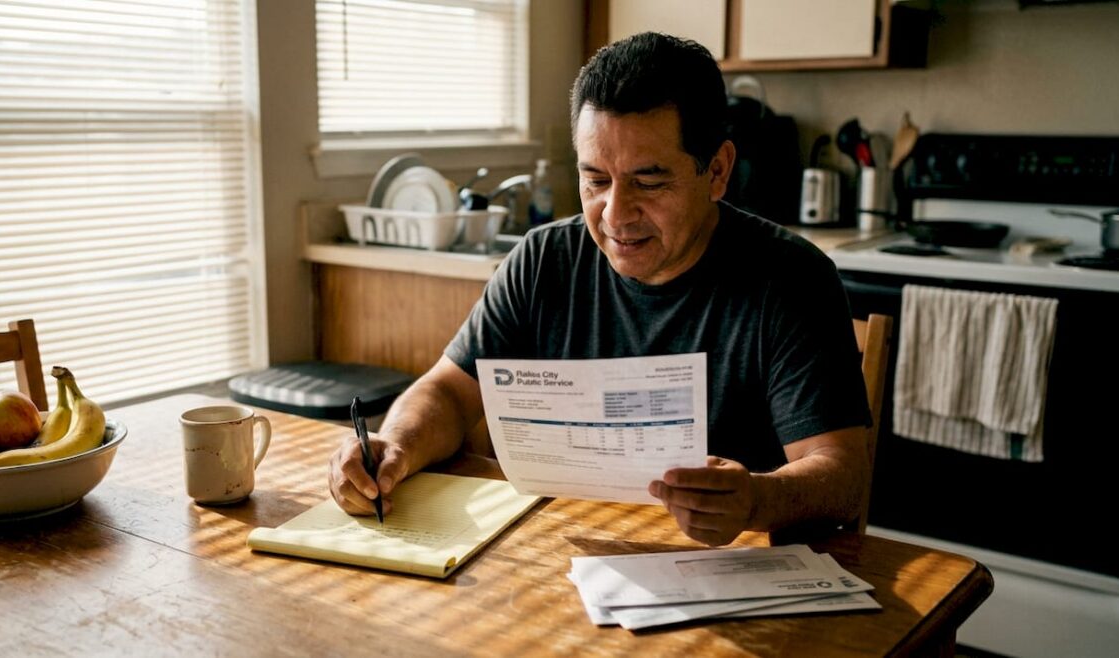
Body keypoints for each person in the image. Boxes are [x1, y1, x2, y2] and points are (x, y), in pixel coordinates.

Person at [329, 32, 871, 547]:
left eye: (649, 182)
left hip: (728, 572)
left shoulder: (792, 279)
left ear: (718, 170)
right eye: (595, 180)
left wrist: (755, 499)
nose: (615, 214)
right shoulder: (543, 261)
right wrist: (392, 444)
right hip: (559, 553)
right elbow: (447, 392)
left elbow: (842, 474)